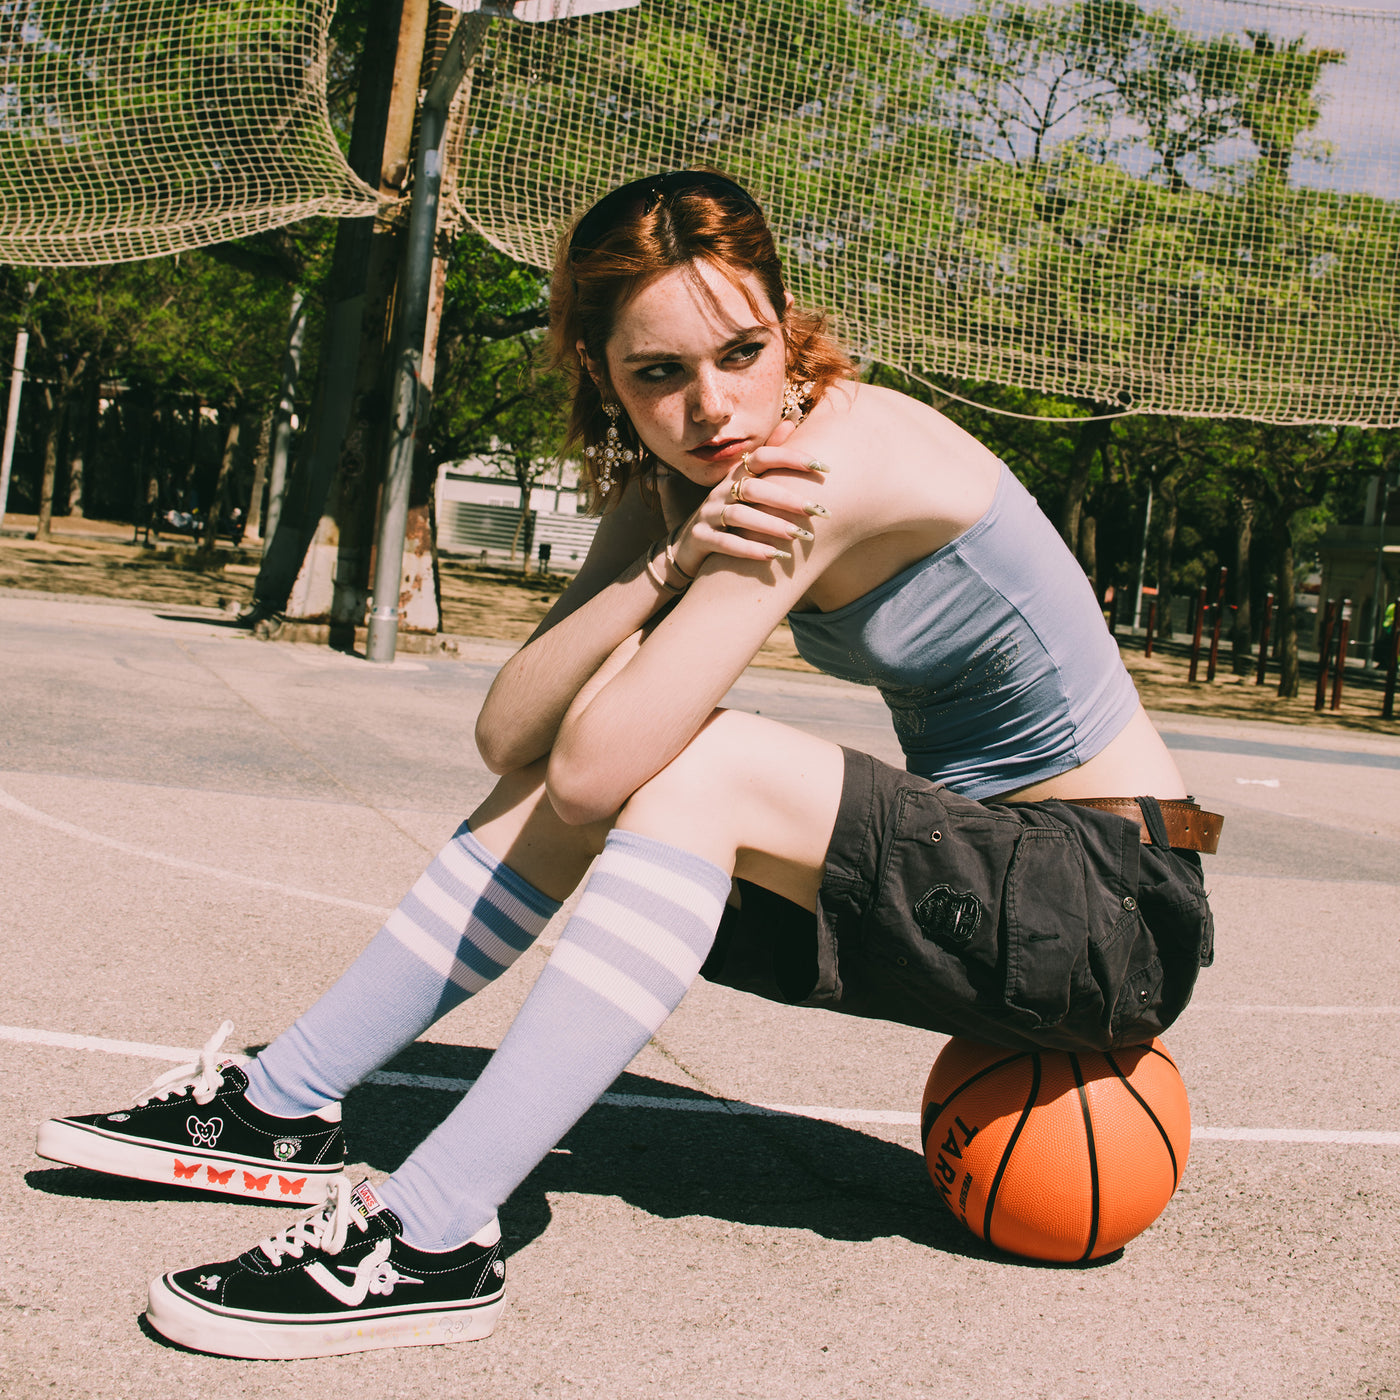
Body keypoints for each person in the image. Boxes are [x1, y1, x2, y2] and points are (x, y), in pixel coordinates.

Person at [35, 170, 1220, 1361]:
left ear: (785, 326)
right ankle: (279, 1104)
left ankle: (432, 1231)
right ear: (602, 372)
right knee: (598, 758)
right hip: (986, 905)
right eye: (659, 373)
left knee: (696, 766)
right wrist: (655, 563)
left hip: (1113, 904)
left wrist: (667, 570)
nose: (713, 405)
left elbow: (603, 776)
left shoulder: (821, 468)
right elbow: (514, 738)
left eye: (741, 350)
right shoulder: (685, 487)